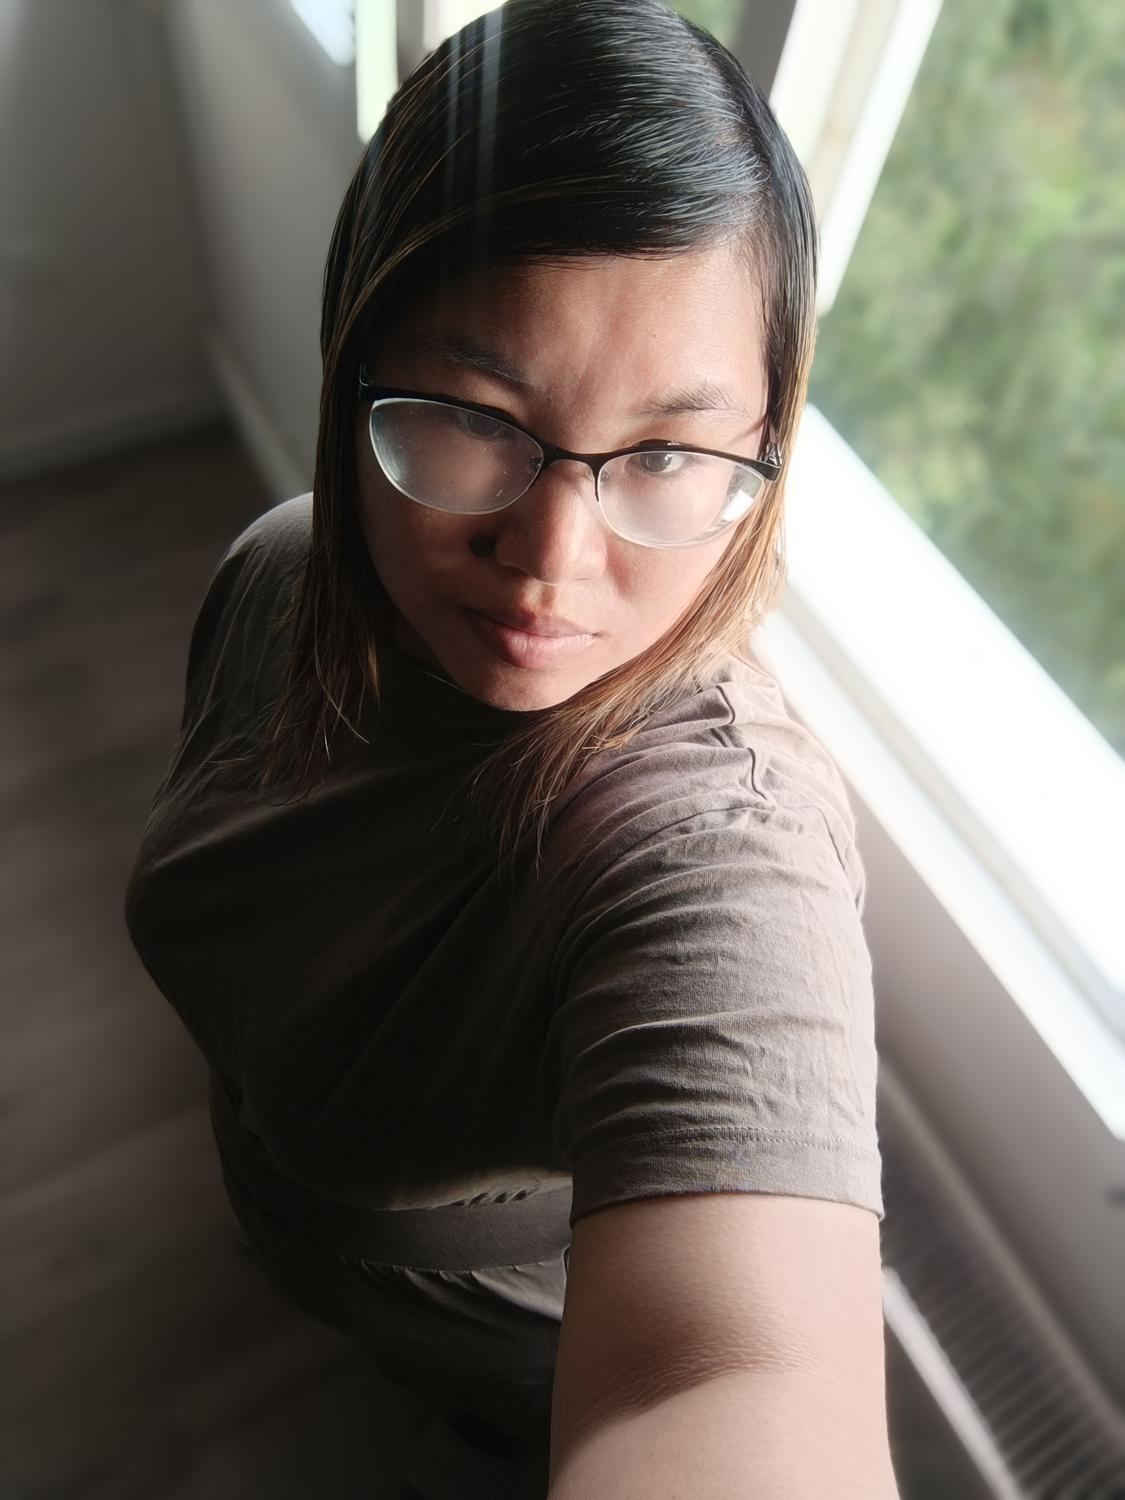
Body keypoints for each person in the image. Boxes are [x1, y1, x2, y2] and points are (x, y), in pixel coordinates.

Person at [123, 1, 900, 1495]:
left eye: (665, 454)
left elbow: (737, 1375)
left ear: (763, 452)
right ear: (353, 364)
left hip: (514, 1372)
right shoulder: (280, 572)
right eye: (476, 416)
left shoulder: (716, 852)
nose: (551, 558)